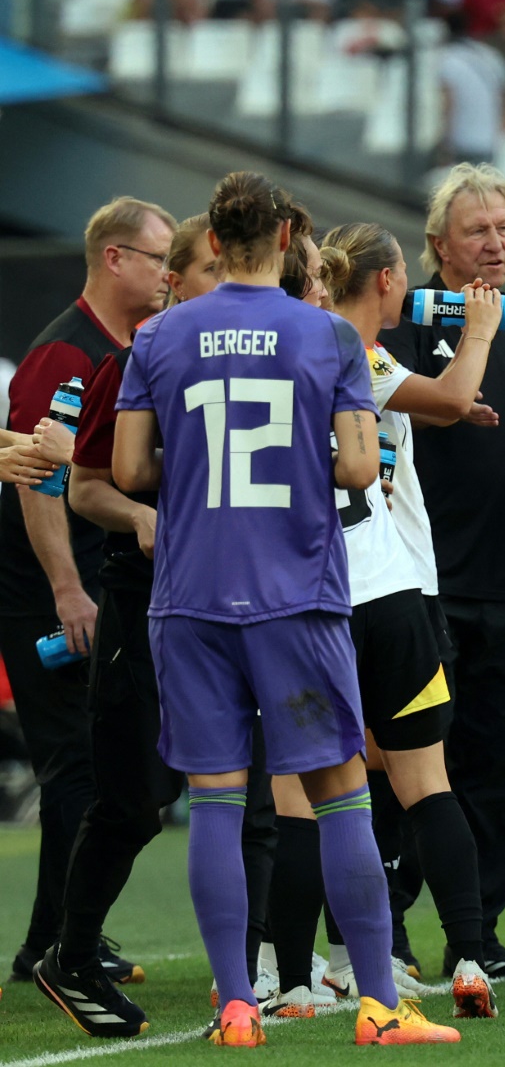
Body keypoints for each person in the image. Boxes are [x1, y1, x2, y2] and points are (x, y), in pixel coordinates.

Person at [109, 170, 459, 1045]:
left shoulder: (158, 336)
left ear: (216, 244)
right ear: (287, 237)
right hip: (294, 596)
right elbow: (353, 468)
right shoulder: (328, 335)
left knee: (218, 799)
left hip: (189, 599)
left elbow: (128, 471)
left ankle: (236, 1005)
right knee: (341, 791)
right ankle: (378, 1004)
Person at [262, 222, 504, 1020]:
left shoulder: (262, 360)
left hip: (305, 602)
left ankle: (296, 979)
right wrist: (475, 340)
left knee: (306, 795)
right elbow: (431, 410)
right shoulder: (344, 352)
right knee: (422, 781)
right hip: (391, 594)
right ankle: (466, 954)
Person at [30, 214, 233, 1038]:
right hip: (141, 598)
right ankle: (69, 954)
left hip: (222, 600)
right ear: (174, 281)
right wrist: (141, 520)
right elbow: (81, 487)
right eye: (211, 270)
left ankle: (270, 969)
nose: (230, 284)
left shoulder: (263, 355)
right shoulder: (134, 361)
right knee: (133, 793)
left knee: (217, 787)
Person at [377, 164, 505, 980]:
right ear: (437, 246)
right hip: (422, 584)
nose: (495, 244)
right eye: (476, 231)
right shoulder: (399, 324)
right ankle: (382, 930)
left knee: (499, 765)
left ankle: (477, 934)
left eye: (504, 228)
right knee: (411, 766)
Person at [1, 196, 174, 985]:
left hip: (82, 587)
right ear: (114, 259)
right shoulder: (63, 356)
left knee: (107, 771)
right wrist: (67, 590)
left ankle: (63, 937)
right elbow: (39, 481)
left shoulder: (121, 349)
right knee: (79, 769)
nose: (168, 274)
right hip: (47, 591)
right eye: (158, 257)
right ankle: (53, 944)